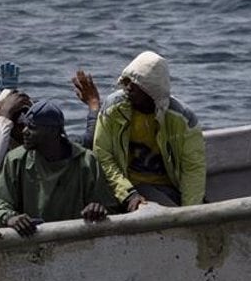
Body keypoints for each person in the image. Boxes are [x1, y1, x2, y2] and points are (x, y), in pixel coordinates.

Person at [0, 101, 140, 234]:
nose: (24, 131)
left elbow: (109, 207)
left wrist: (97, 210)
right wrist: (10, 217)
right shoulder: (16, 160)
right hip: (32, 243)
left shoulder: (85, 161)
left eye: (32, 127)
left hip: (73, 242)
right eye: (25, 126)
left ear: (53, 132)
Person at [73, 52, 206, 206]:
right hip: (123, 186)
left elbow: (193, 168)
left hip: (167, 188)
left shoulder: (183, 119)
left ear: (151, 90)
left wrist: (190, 211)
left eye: (135, 84)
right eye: (126, 82)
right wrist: (128, 194)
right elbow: (103, 156)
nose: (128, 88)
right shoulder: (113, 109)